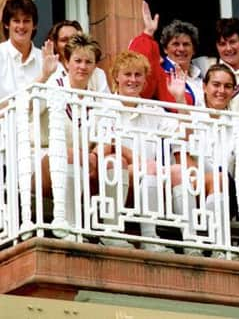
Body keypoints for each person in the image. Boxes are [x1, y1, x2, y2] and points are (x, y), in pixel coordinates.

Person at [171, 64, 239, 259]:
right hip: (194, 189)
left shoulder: (237, 120)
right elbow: (180, 150)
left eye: (227, 86)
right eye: (216, 85)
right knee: (217, 179)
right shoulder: (192, 114)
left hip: (229, 192)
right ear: (204, 87)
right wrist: (179, 98)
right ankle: (216, 246)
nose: (221, 91)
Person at [101, 51, 184, 252]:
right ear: (116, 77)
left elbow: (184, 130)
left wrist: (179, 98)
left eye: (138, 75)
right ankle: (111, 232)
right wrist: (133, 158)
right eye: (127, 74)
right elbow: (103, 147)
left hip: (148, 176)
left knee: (178, 171)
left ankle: (160, 240)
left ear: (145, 80)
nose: (133, 79)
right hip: (115, 175)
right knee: (138, 165)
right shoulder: (103, 104)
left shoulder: (153, 109)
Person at [38, 33, 104, 238]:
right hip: (45, 159)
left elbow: (105, 138)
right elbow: (28, 109)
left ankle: (110, 231)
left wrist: (96, 154)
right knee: (70, 155)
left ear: (94, 67)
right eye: (77, 60)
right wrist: (43, 75)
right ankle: (70, 227)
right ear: (66, 62)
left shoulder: (98, 98)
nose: (82, 67)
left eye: (88, 62)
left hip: (84, 163)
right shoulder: (53, 85)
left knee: (112, 163)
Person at [129, 1, 204, 107]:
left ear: (194, 49)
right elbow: (136, 64)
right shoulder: (160, 71)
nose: (181, 49)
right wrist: (148, 33)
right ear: (165, 49)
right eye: (175, 44)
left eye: (186, 44)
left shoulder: (201, 75)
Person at [192, 18, 239, 114]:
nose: (228, 48)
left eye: (233, 42)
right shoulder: (205, 64)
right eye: (222, 44)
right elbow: (179, 62)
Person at [1, 0, 57, 100]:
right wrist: (43, 76)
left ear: (34, 25)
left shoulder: (46, 60)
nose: (21, 26)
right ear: (6, 24)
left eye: (26, 21)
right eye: (16, 21)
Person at [46, 20, 109, 93]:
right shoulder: (49, 72)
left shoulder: (98, 74)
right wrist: (45, 75)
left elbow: (108, 102)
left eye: (74, 38)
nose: (69, 43)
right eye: (64, 40)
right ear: (55, 44)